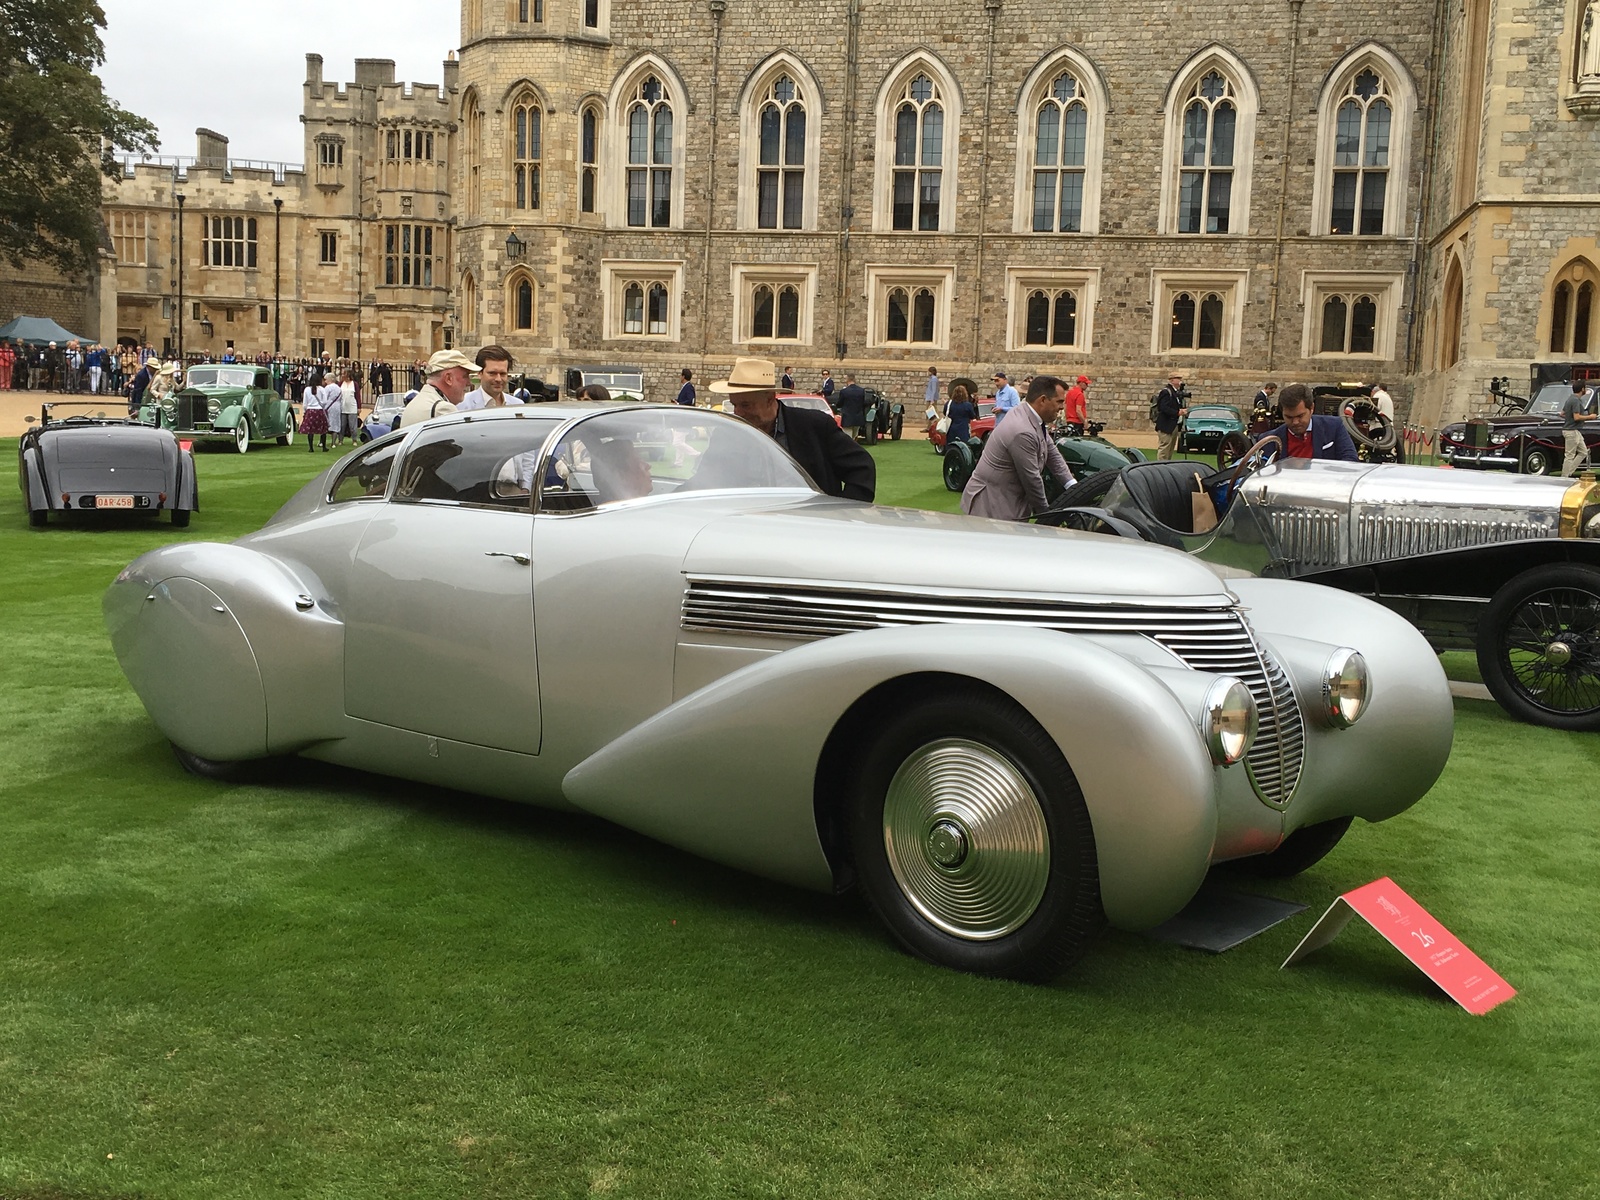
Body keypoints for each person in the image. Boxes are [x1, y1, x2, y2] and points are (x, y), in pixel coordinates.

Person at [716, 357, 875, 501]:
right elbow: (708, 475)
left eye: (746, 405)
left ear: (770, 399)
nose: (738, 413)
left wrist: (842, 511)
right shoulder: (726, 433)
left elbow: (862, 468)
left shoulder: (814, 426)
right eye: (734, 404)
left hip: (806, 524)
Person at [961, 375, 1075, 521]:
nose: (1061, 407)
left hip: (1005, 500)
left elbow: (1052, 453)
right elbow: (1032, 479)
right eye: (1059, 401)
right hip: (992, 505)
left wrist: (1073, 486)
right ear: (1043, 400)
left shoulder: (1029, 414)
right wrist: (1046, 516)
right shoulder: (1022, 430)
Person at [1264, 382, 1359, 461]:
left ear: (1312, 408)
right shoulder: (1269, 440)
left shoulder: (1334, 427)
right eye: (1289, 417)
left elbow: (1350, 461)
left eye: (1300, 416)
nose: (1295, 422)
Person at [397, 348, 475, 428]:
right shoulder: (442, 409)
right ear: (448, 379)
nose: (469, 383)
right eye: (465, 376)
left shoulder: (422, 400)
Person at [456, 345, 523, 412]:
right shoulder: (462, 406)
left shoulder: (517, 406)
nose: (498, 379)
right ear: (479, 373)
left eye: (502, 374)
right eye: (492, 373)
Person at [1560, 376, 1597, 477]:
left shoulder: (1570, 399)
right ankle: (1564, 477)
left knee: (1583, 452)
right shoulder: (1576, 400)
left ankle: (1569, 472)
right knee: (1569, 455)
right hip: (1571, 431)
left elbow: (1562, 413)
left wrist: (1569, 418)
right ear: (1582, 389)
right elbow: (1576, 417)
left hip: (1574, 430)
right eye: (1584, 388)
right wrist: (1590, 416)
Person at [1153, 372, 1188, 461]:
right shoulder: (1166, 392)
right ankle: (1161, 466)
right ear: (1172, 380)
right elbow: (1163, 407)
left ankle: (1167, 465)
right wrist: (1177, 412)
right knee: (1164, 447)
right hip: (1166, 425)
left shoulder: (1175, 393)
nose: (1180, 381)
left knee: (1170, 449)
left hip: (1173, 425)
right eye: (1178, 379)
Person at [300, 370, 332, 452]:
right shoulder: (321, 389)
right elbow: (325, 401)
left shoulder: (307, 389)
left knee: (310, 430)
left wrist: (305, 411)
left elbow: (305, 403)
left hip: (310, 411)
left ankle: (311, 448)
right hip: (319, 411)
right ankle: (324, 447)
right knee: (323, 430)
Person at [836, 373, 868, 440]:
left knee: (848, 438)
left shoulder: (844, 391)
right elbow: (863, 403)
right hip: (858, 417)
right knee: (854, 437)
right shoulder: (861, 391)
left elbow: (839, 404)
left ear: (847, 379)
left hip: (847, 418)